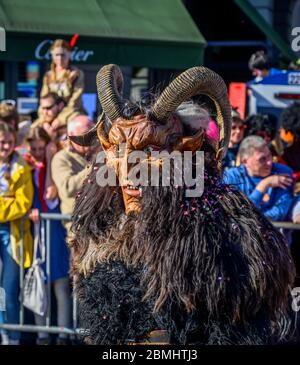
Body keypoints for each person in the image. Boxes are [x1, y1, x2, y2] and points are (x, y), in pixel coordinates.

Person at [69, 64, 297, 345]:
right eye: (118, 150)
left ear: (184, 150)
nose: (130, 170)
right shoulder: (99, 225)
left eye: (150, 151)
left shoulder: (214, 222)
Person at [25, 127, 71, 345]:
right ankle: (42, 335)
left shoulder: (51, 165)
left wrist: (51, 156)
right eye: (33, 148)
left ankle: (63, 335)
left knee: (60, 286)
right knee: (39, 284)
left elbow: (50, 192)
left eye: (41, 148)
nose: (37, 152)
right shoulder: (28, 166)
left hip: (54, 232)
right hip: (37, 234)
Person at [0, 122, 33, 345]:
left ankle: (12, 336)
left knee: (8, 290)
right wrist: (6, 203)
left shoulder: (21, 166)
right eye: (2, 142)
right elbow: (15, 204)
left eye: (9, 142)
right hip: (9, 224)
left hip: (12, 235)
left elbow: (23, 203)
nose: (5, 146)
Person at [224, 135, 294, 222]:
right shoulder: (232, 177)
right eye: (262, 159)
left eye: (269, 156)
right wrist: (264, 185)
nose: (269, 162)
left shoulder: (282, 172)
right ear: (245, 161)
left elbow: (279, 212)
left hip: (274, 233)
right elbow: (239, 212)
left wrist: (252, 219)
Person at [51, 116, 95, 234]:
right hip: (77, 223)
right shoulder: (62, 158)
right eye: (85, 133)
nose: (89, 138)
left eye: (92, 133)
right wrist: (93, 168)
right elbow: (66, 188)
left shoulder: (97, 153)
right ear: (71, 135)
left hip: (100, 220)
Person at [39, 39, 86, 124]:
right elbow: (44, 100)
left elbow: (75, 101)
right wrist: (44, 120)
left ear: (69, 54)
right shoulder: (48, 76)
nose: (60, 58)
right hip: (50, 113)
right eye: (57, 55)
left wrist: (60, 119)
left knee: (80, 126)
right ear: (52, 55)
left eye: (63, 55)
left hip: (71, 113)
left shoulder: (76, 74)